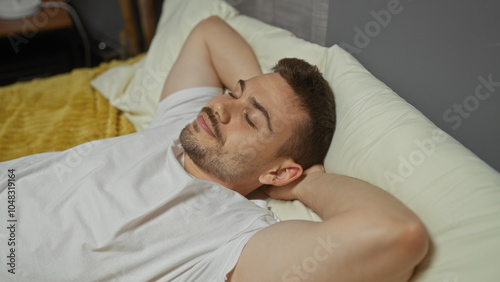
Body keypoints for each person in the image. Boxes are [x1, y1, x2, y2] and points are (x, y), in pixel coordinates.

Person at [0, 16, 428, 281]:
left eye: (251, 118)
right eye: (235, 92)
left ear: (280, 172)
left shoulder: (227, 239)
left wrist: (306, 182)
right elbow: (209, 32)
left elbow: (395, 236)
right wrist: (255, 99)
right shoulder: (185, 128)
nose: (221, 106)